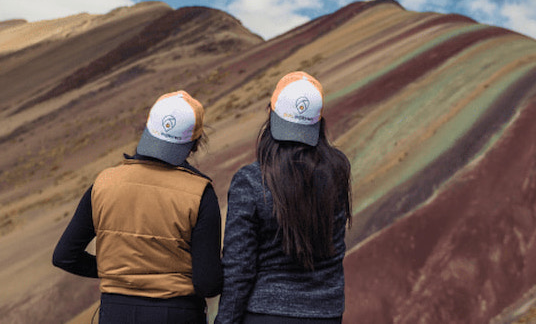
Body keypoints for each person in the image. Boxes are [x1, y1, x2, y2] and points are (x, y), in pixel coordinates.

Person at [53, 90, 223, 323]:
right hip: (176, 314)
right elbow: (208, 284)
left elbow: (64, 256)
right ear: (194, 144)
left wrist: (120, 273)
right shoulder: (200, 193)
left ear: (147, 128)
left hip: (115, 312)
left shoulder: (104, 183)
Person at [215, 71, 352, 324]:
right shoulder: (337, 171)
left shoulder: (250, 180)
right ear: (319, 122)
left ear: (270, 114)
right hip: (326, 313)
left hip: (266, 313)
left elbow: (239, 267)